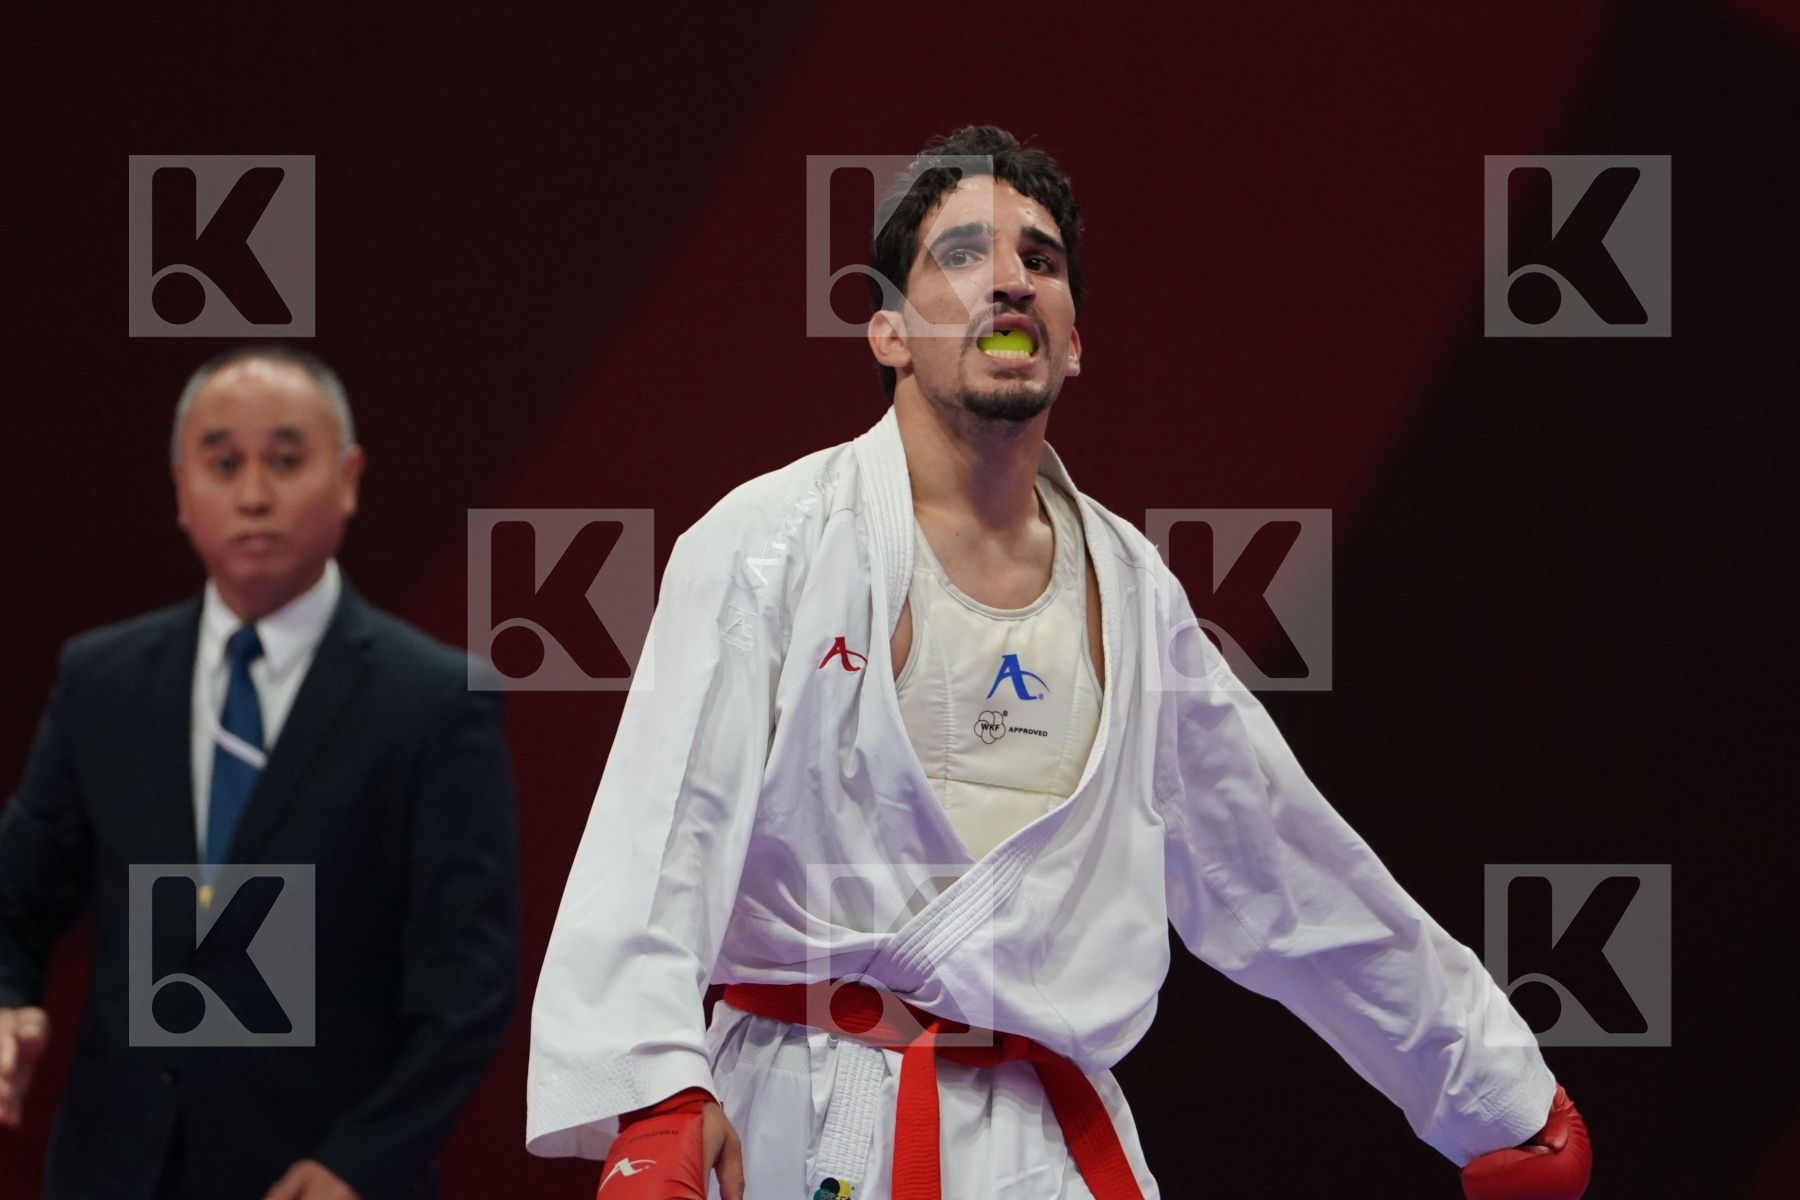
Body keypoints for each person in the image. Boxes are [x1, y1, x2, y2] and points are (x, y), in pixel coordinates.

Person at [526, 126, 1592, 1199]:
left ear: (1075, 341)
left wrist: (1489, 1085)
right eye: (961, 255)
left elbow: (1279, 865)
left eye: (1040, 261)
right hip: (810, 1111)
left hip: (1046, 1142)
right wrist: (658, 1095)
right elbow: (665, 825)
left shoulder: (1134, 595)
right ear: (887, 332)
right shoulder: (771, 540)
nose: (1009, 283)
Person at [0, 346, 520, 1200]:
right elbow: (14, 900)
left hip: (321, 1171)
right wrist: (9, 998)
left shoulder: (432, 702)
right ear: (180, 486)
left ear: (347, 477)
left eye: (285, 460)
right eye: (223, 462)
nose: (252, 494)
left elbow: (469, 984)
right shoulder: (104, 681)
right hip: (116, 1170)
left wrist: (362, 1160)